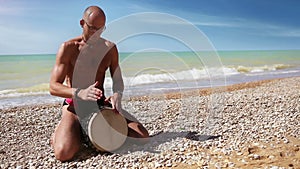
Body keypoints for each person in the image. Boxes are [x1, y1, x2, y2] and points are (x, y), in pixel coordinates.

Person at [49, 6, 149, 162]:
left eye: (101, 29)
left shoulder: (109, 48)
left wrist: (117, 95)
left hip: (99, 104)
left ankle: (86, 133)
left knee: (142, 137)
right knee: (64, 153)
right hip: (74, 105)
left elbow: (117, 80)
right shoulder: (68, 48)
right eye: (92, 28)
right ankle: (63, 131)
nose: (96, 33)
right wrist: (79, 92)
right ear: (82, 23)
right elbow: (53, 86)